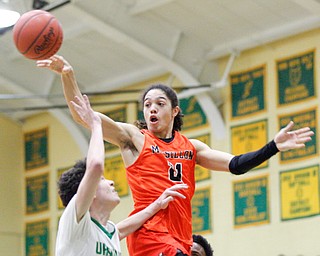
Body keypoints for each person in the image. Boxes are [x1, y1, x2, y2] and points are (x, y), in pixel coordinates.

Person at [37, 55, 314, 256]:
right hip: (148, 233)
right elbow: (84, 117)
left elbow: (236, 165)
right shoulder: (134, 139)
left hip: (180, 236)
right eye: (147, 105)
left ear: (175, 111)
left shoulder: (192, 147)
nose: (152, 110)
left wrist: (273, 146)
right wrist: (68, 75)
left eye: (159, 103)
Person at [55, 93, 188, 255]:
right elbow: (95, 166)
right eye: (102, 180)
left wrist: (158, 203)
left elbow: (124, 227)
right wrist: (96, 126)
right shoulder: (75, 223)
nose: (111, 182)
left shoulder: (107, 232)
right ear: (89, 192)